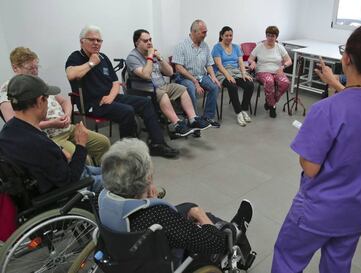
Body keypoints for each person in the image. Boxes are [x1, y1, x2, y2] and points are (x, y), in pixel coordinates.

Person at [271, 19, 361, 273]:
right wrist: (336, 84)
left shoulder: (325, 110)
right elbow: (360, 103)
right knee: (337, 267)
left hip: (317, 211)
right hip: (354, 211)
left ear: (347, 58)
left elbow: (310, 168)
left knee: (288, 260)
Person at [98, 138, 253, 268]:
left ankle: (235, 231)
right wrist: (201, 216)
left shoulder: (104, 198)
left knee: (188, 206)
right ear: (146, 179)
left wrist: (146, 196)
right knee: (213, 224)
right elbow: (215, 242)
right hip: (162, 257)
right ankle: (237, 229)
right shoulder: (158, 215)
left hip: (126, 251)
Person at [65, 25, 178, 158]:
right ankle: (128, 152)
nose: (96, 43)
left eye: (99, 40)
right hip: (92, 103)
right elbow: (71, 74)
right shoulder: (75, 57)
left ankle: (157, 144)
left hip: (110, 98)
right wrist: (90, 63)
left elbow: (115, 82)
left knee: (145, 103)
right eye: (92, 39)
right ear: (82, 41)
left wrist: (111, 96)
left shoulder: (103, 57)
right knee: (127, 111)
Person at [0, 47, 110, 165]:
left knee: (104, 142)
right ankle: (89, 180)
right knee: (82, 160)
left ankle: (104, 173)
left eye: (36, 67)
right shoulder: (9, 92)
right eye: (30, 68)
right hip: (50, 136)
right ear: (15, 68)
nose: (35, 71)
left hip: (66, 127)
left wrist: (67, 115)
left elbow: (64, 101)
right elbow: (19, 127)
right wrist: (52, 123)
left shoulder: (39, 83)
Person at [0, 74, 102, 193]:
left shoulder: (10, 130)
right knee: (126, 177)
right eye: (47, 98)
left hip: (55, 177)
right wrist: (81, 145)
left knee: (115, 169)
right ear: (39, 101)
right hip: (71, 187)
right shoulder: (37, 143)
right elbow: (70, 181)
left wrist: (60, 151)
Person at [125, 29, 211, 137]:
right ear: (137, 43)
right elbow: (146, 75)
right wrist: (150, 57)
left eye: (150, 40)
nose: (150, 43)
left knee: (182, 89)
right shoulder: (132, 57)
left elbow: (170, 72)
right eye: (145, 41)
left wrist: (160, 58)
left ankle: (193, 119)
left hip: (161, 85)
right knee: (162, 93)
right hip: (145, 89)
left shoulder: (153, 54)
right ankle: (177, 124)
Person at [172, 19, 221, 131]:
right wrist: (194, 81)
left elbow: (209, 64)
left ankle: (208, 117)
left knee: (214, 87)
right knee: (191, 89)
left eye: (206, 32)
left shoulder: (205, 46)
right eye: (203, 32)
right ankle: (192, 119)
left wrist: (213, 77)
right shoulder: (181, 46)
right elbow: (178, 67)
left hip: (201, 75)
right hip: (185, 77)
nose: (205, 35)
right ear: (194, 32)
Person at [212, 26, 254, 127]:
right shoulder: (217, 47)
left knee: (250, 84)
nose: (229, 37)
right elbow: (218, 65)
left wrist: (244, 74)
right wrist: (228, 76)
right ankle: (238, 113)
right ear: (221, 36)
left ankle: (244, 110)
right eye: (226, 35)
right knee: (232, 86)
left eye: (231, 35)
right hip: (222, 72)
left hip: (236, 71)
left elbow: (240, 62)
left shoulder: (236, 47)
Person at [248, 26, 292, 118]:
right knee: (269, 82)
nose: (270, 38)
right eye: (268, 35)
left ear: (276, 37)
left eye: (273, 36)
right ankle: (272, 107)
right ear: (266, 36)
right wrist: (253, 63)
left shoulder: (280, 47)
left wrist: (283, 67)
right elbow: (250, 59)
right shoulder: (259, 47)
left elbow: (289, 61)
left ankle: (270, 102)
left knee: (285, 83)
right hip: (262, 71)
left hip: (277, 71)